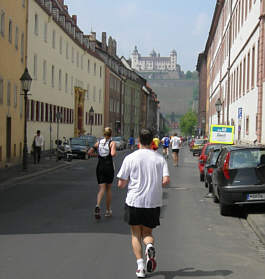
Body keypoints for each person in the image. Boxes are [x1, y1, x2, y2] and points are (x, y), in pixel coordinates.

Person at [117, 128, 170, 278]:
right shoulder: (160, 158)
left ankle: (140, 267)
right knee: (147, 233)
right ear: (152, 141)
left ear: (139, 140)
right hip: (152, 202)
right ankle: (150, 246)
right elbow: (166, 180)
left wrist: (124, 183)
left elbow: (121, 183)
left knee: (135, 234)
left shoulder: (130, 158)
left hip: (134, 201)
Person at [88, 127, 116, 219]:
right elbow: (112, 154)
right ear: (111, 134)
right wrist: (112, 152)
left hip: (100, 166)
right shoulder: (112, 143)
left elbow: (89, 152)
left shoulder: (98, 142)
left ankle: (98, 205)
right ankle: (108, 211)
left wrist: (98, 155)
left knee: (101, 189)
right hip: (108, 166)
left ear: (104, 134)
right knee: (108, 189)